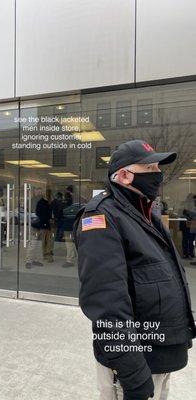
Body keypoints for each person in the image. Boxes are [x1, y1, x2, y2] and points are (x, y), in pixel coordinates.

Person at [74, 140, 196, 400]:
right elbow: (107, 305)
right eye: (149, 168)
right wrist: (133, 375)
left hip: (158, 357)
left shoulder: (145, 213)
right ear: (124, 175)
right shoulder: (101, 218)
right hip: (136, 367)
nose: (157, 175)